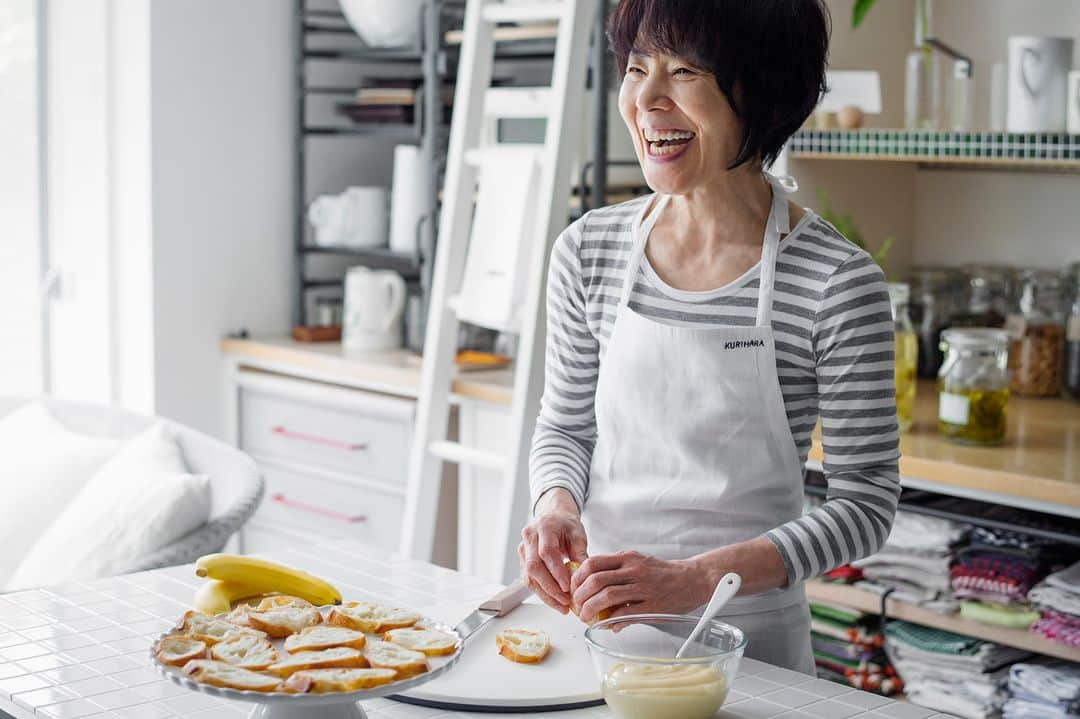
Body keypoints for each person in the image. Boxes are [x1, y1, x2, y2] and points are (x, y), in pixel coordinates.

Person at [520, 0, 900, 674]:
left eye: (684, 71)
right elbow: (566, 427)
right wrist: (555, 505)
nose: (647, 99)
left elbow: (864, 502)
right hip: (600, 633)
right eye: (637, 68)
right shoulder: (589, 250)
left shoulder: (837, 282)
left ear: (759, 90)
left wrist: (699, 579)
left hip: (752, 648)